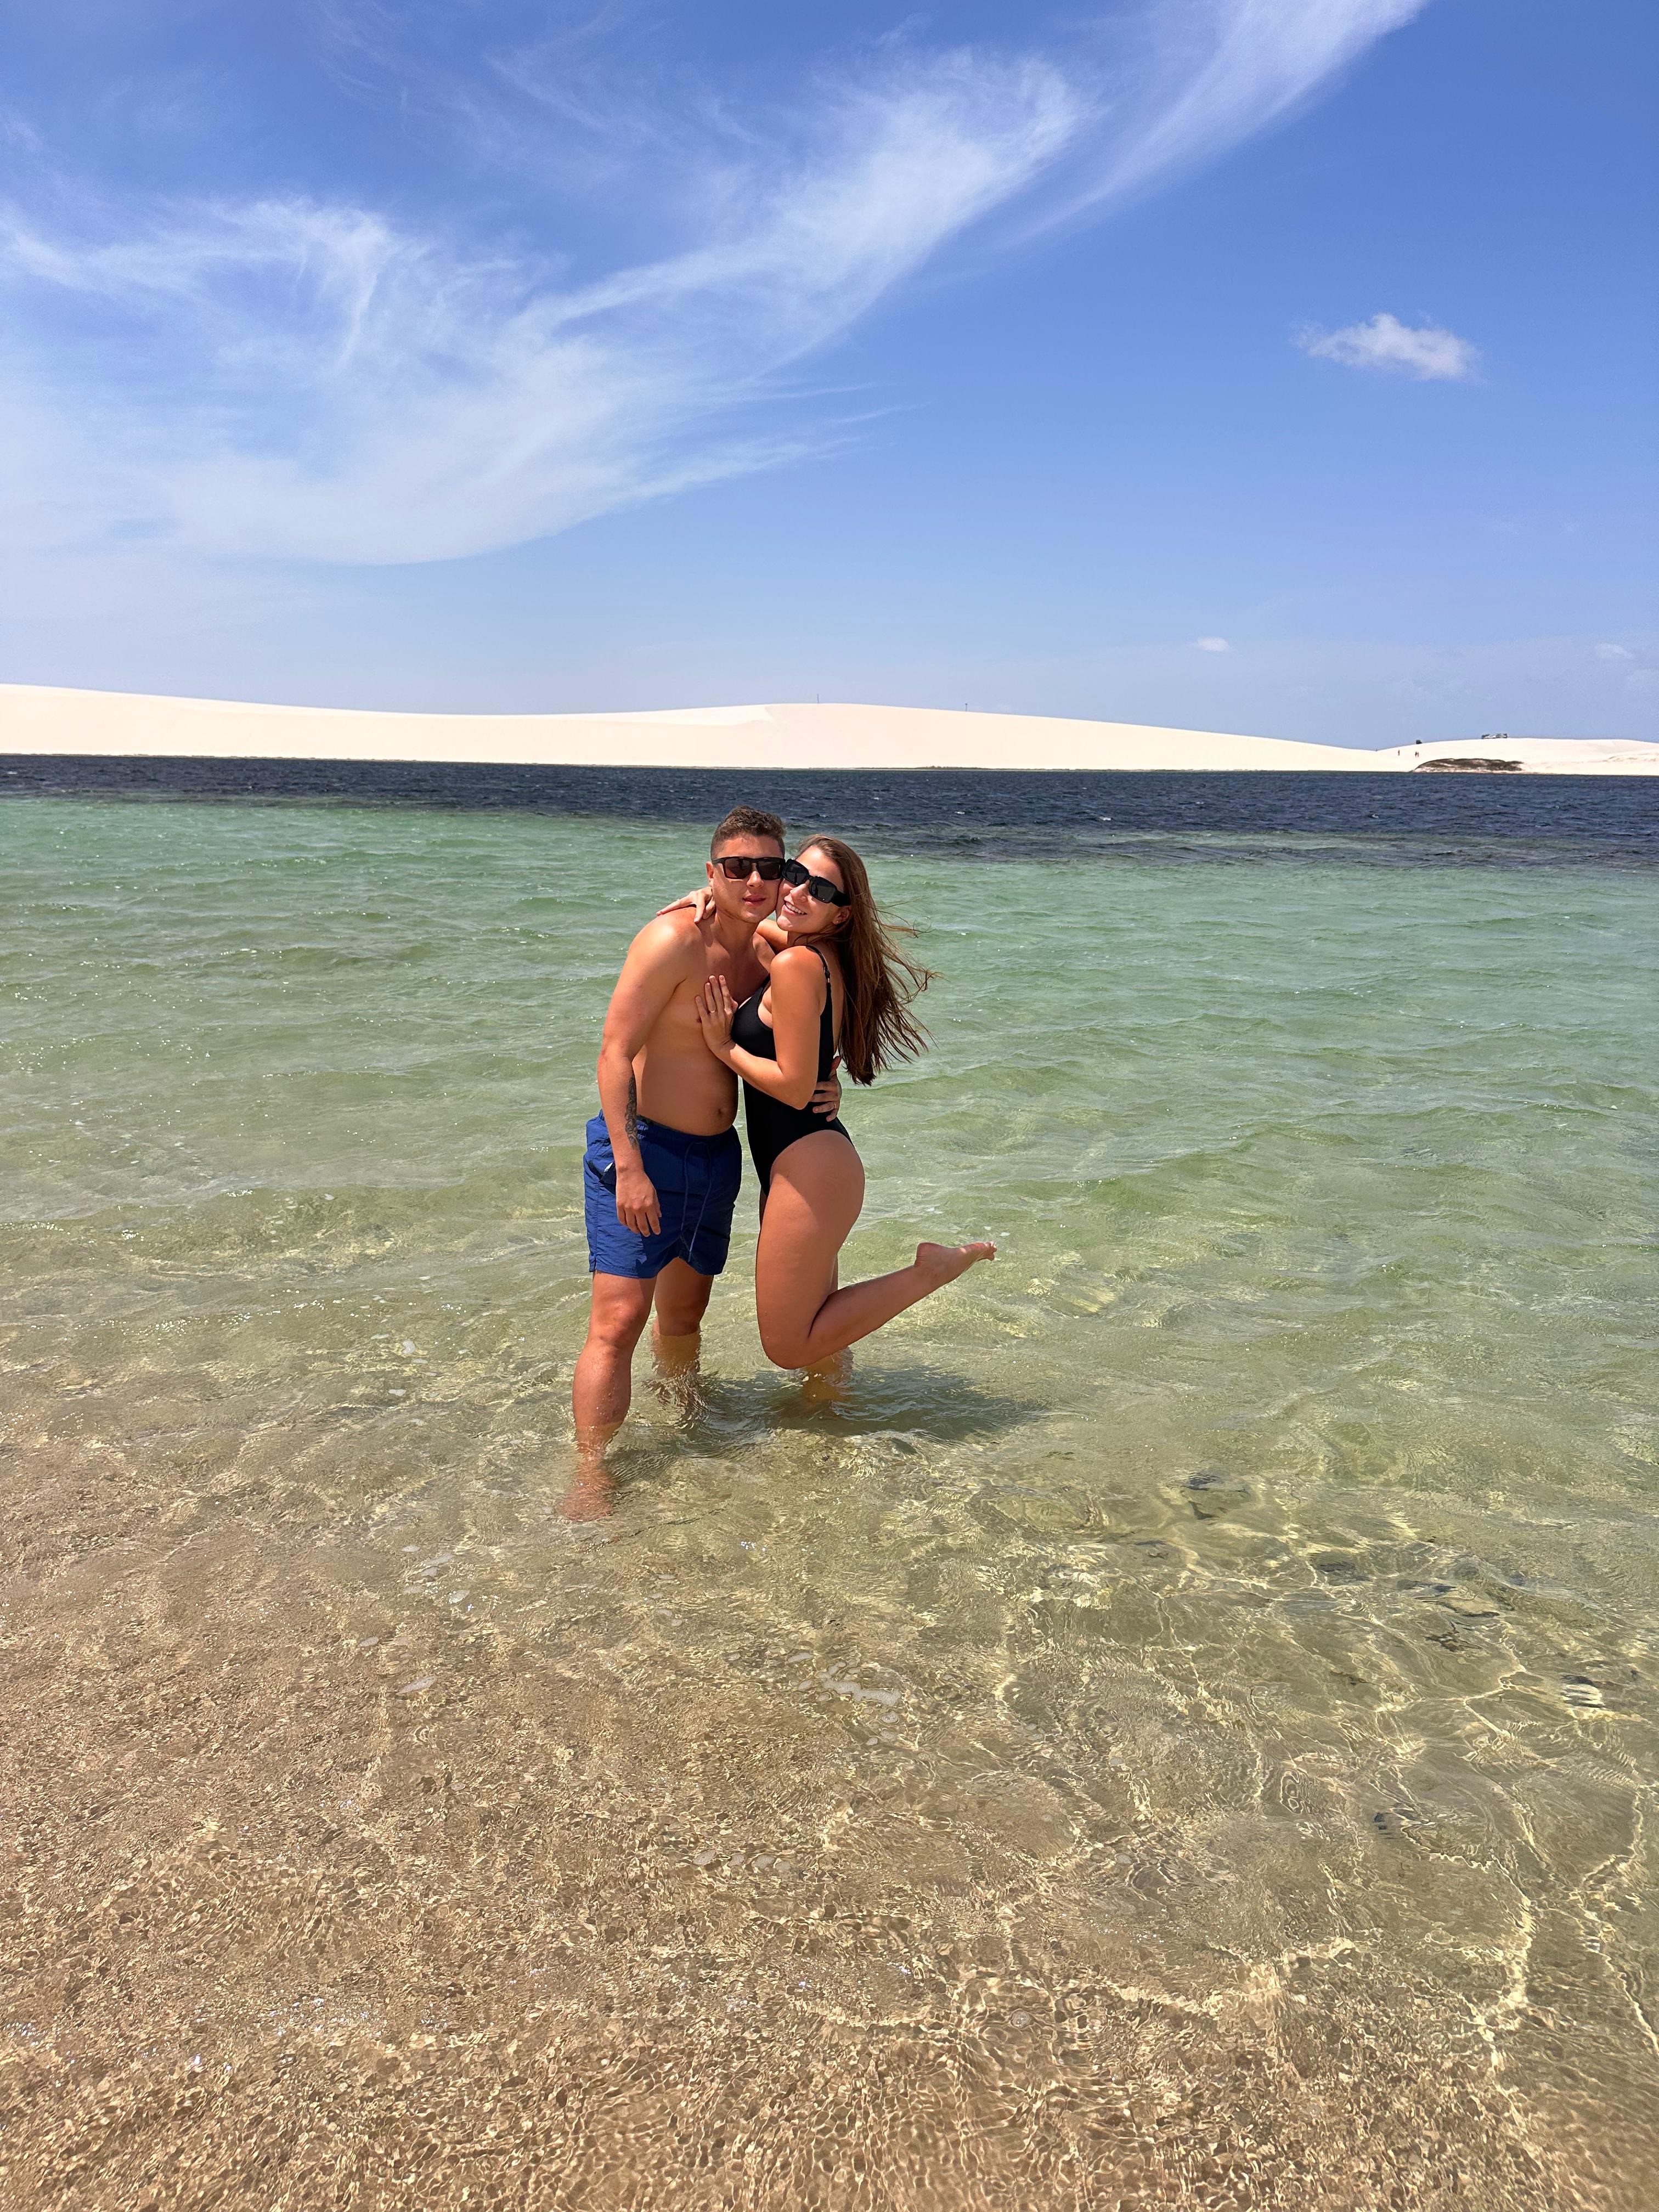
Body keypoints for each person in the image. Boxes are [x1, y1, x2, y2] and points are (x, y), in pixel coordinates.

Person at [567, 805, 839, 1513]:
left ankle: (683, 1422)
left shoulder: (772, 946)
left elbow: (805, 1023)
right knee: (620, 1319)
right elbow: (613, 1052)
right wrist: (626, 1163)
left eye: (769, 868)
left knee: (685, 1316)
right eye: (737, 868)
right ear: (711, 872)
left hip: (719, 1157)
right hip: (646, 1148)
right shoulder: (669, 940)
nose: (755, 880)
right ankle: (594, 1475)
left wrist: (828, 1076)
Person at [690, 835, 994, 1374]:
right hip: (808, 1163)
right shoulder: (820, 956)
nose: (799, 891)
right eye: (795, 874)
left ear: (841, 915)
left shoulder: (800, 965)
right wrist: (712, 894)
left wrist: (724, 1046)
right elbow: (766, 933)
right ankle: (826, 1430)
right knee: (820, 1335)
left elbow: (793, 1086)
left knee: (788, 1345)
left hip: (808, 1167)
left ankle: (929, 1271)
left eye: (821, 888)